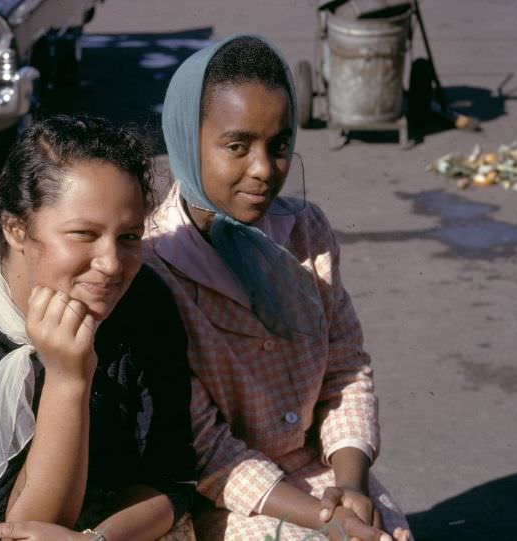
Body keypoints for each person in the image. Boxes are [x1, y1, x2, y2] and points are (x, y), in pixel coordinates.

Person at [143, 35, 414, 541]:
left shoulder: (304, 230)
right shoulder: (153, 269)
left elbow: (346, 367)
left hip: (324, 475)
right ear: (185, 138)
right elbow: (203, 447)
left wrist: (351, 485)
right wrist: (323, 519)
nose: (265, 169)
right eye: (237, 146)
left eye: (280, 144)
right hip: (226, 499)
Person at [0, 115, 197, 541]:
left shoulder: (146, 303)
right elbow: (16, 528)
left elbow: (170, 480)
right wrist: (68, 378)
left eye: (129, 236)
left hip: (122, 519)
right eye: (84, 234)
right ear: (16, 229)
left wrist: (96, 540)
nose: (112, 264)